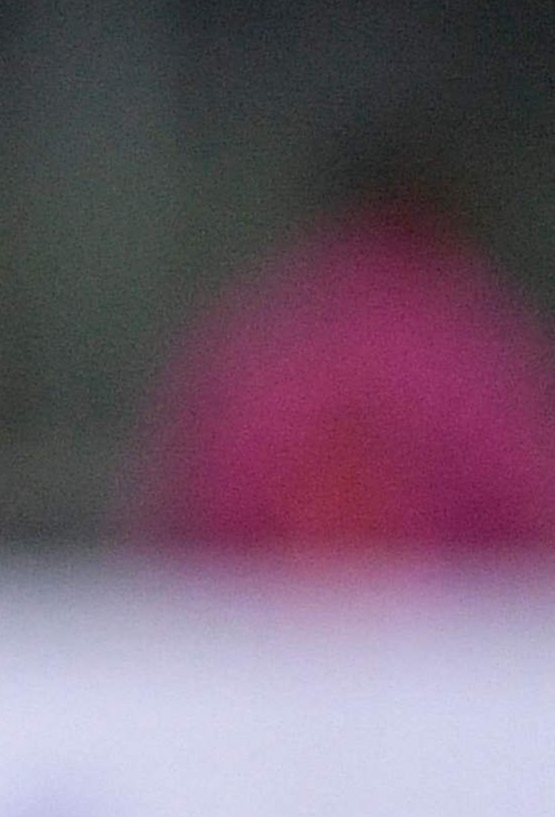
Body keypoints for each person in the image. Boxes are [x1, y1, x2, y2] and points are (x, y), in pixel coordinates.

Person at [131, 140, 555, 563]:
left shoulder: (263, 335)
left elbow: (180, 523)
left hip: (257, 619)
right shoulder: (483, 345)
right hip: (459, 621)